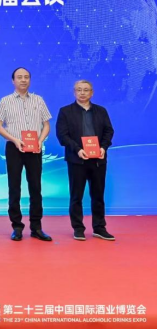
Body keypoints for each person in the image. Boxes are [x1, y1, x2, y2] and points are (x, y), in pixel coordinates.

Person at [0, 67, 53, 242]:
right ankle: (17, 227)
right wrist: (14, 139)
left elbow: (46, 125)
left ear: (30, 80)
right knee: (14, 187)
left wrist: (40, 141)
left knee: (36, 187)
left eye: (26, 77)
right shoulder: (5, 101)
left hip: (34, 148)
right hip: (14, 147)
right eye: (19, 77)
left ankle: (36, 227)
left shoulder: (38, 100)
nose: (23, 80)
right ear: (13, 80)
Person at [56, 80, 115, 241]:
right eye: (79, 90)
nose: (82, 93)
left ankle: (99, 228)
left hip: (98, 160)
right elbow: (62, 135)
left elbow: (109, 131)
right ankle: (78, 228)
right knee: (76, 196)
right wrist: (77, 149)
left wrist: (103, 147)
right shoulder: (65, 111)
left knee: (98, 195)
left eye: (86, 90)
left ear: (92, 93)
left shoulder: (101, 111)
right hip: (77, 160)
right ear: (74, 92)